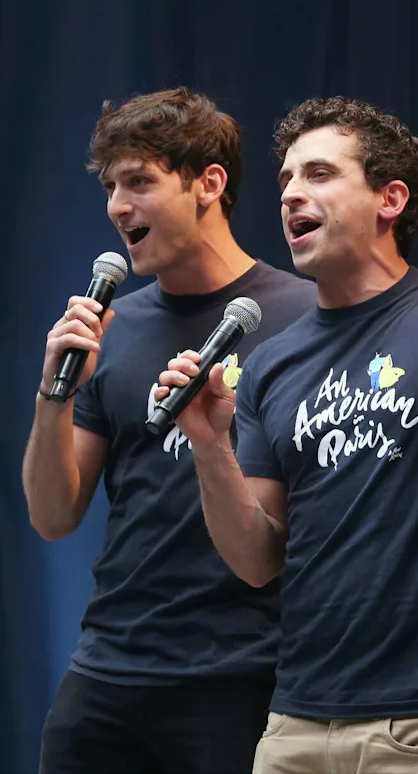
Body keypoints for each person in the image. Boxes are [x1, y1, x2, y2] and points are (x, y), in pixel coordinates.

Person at [155, 96, 418, 774]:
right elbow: (256, 558)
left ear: (390, 198)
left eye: (319, 174)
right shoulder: (271, 361)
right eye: (287, 181)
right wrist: (210, 445)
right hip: (297, 718)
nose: (293, 193)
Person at [22, 88, 318, 774]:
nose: (117, 207)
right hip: (109, 667)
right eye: (110, 186)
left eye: (139, 182)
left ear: (208, 183)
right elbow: (52, 512)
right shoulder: (113, 328)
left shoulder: (306, 316)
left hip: (241, 673)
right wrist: (52, 391)